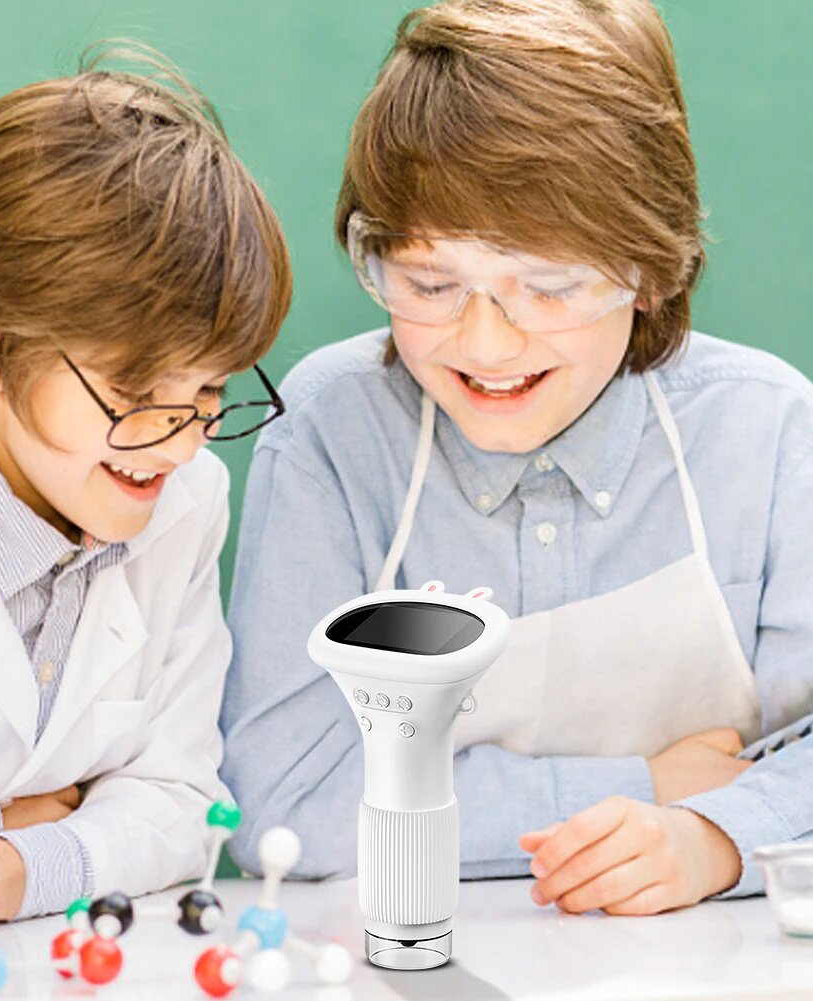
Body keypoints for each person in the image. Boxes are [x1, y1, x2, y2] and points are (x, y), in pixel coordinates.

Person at [220, 0, 813, 915]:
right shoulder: (329, 434)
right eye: (429, 284)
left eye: (547, 287)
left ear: (651, 270)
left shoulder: (766, 430)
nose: (486, 344)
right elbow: (285, 801)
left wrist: (715, 838)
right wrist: (652, 783)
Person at [0, 49, 291, 922]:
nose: (179, 441)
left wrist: (7, 868)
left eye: (210, 389)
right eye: (133, 391)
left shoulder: (186, 501)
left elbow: (180, 802)